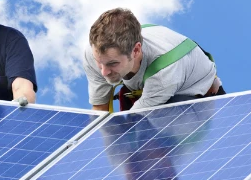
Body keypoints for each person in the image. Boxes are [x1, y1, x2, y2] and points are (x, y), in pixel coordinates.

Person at [83, 8, 223, 112]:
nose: (104, 72)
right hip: (152, 83)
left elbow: (134, 123)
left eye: (112, 63)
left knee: (165, 126)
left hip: (191, 90)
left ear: (136, 50)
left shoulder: (163, 73)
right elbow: (99, 109)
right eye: (99, 62)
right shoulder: (94, 54)